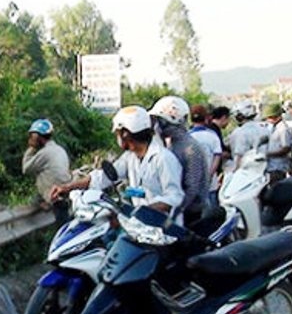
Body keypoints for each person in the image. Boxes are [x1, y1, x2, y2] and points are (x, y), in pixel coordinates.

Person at [50, 106, 184, 223]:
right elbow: (102, 177)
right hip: (138, 227)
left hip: (162, 232)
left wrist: (142, 212)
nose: (117, 137)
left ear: (126, 134)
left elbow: (174, 197)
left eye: (118, 133)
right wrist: (67, 188)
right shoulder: (130, 157)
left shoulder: (163, 158)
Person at [150, 96, 209, 225]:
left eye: (158, 121)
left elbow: (191, 188)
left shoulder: (190, 148)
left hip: (191, 214)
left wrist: (175, 211)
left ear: (167, 121)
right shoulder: (175, 144)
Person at [21, 118, 72, 225]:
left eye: (32, 136)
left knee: (62, 230)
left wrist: (31, 148)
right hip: (64, 195)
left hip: (55, 198)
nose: (30, 138)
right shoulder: (59, 149)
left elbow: (26, 169)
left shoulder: (45, 153)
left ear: (37, 136)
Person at [190, 104, 224, 208]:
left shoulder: (187, 137)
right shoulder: (212, 136)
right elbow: (217, 157)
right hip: (211, 184)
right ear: (206, 118)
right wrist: (209, 175)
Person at [226, 100, 270, 170]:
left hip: (247, 172)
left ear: (239, 116)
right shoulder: (265, 129)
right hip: (264, 169)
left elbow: (239, 156)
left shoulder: (239, 132)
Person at [262, 102, 292, 183]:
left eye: (269, 118)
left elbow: (286, 148)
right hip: (271, 167)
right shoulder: (274, 128)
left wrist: (268, 154)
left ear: (275, 117)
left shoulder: (283, 129)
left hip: (278, 167)